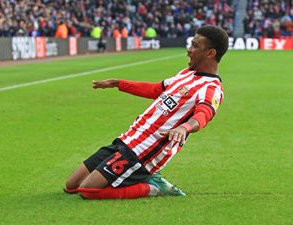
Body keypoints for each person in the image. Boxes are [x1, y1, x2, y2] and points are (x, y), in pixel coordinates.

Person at [64, 25, 229, 199]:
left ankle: (152, 188)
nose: (189, 50)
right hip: (128, 139)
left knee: (87, 191)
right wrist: (119, 83)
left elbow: (204, 114)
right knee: (71, 186)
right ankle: (141, 179)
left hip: (144, 151)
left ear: (210, 53)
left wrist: (184, 128)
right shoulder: (186, 74)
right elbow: (154, 89)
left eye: (195, 46)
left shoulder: (211, 88)